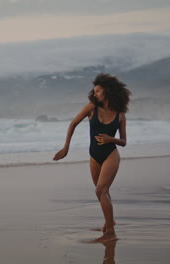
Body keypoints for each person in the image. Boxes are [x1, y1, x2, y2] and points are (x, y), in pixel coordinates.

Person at [53, 73, 131, 243]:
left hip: (111, 154)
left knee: (100, 190)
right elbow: (73, 123)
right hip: (94, 155)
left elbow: (124, 142)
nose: (95, 94)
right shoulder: (91, 108)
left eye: (98, 91)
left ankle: (110, 232)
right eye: (94, 92)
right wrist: (66, 148)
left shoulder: (119, 115)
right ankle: (110, 222)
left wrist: (112, 139)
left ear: (107, 92)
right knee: (102, 191)